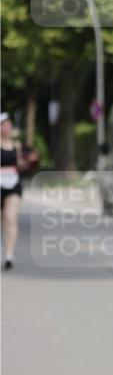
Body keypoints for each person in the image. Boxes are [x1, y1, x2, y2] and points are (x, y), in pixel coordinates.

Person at [1, 112, 24, 270]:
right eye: (4, 124)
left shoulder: (17, 146)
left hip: (13, 184)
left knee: (10, 218)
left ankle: (9, 255)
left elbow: (20, 164)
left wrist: (25, 164)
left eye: (9, 124)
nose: (7, 127)